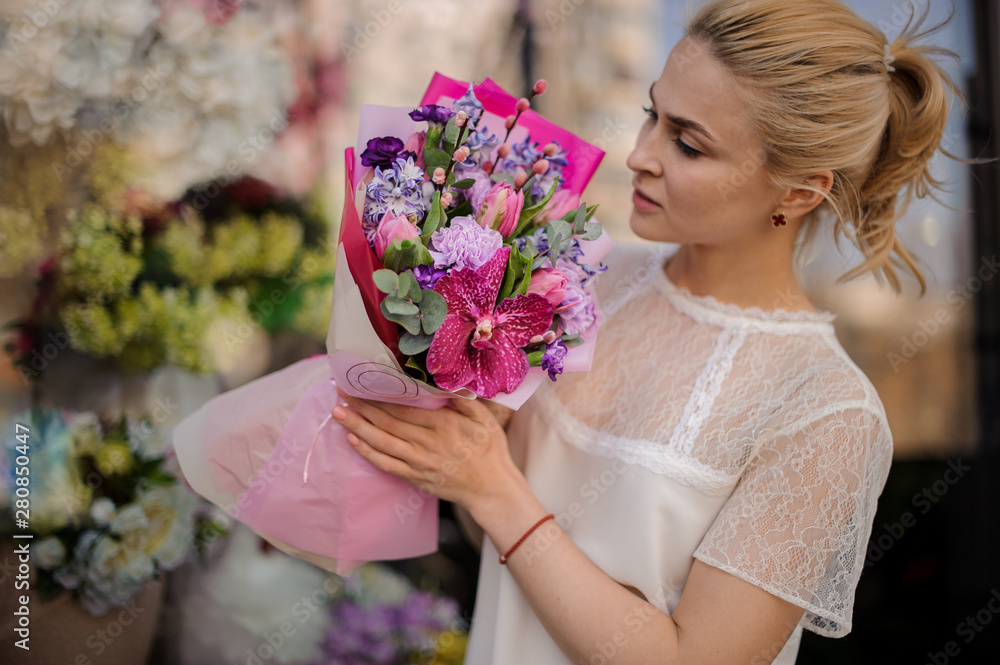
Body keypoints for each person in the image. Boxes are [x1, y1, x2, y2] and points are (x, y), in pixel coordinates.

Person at [329, 0, 961, 662]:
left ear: (800, 192)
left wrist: (496, 490)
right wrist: (453, 442)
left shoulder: (826, 410)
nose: (639, 155)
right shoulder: (574, 279)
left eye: (688, 143)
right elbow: (492, 536)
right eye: (651, 115)